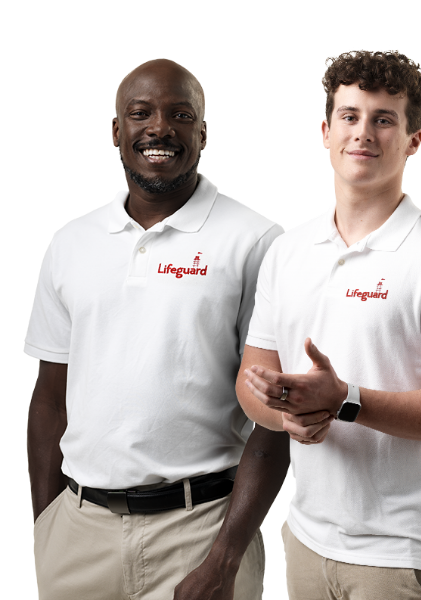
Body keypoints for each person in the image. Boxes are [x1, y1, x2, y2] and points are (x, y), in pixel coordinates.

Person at [236, 48, 421, 600]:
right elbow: (251, 380)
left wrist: (345, 400)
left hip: (402, 552)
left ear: (413, 140)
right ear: (326, 131)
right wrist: (289, 419)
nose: (364, 134)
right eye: (351, 117)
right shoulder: (287, 251)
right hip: (306, 539)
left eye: (384, 120)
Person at [26, 58, 287, 600]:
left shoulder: (257, 241)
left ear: (203, 133)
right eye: (140, 113)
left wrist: (226, 557)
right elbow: (50, 399)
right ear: (116, 131)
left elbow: (275, 414)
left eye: (180, 114)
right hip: (77, 535)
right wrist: (46, 531)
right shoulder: (70, 242)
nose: (159, 128)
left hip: (200, 531)